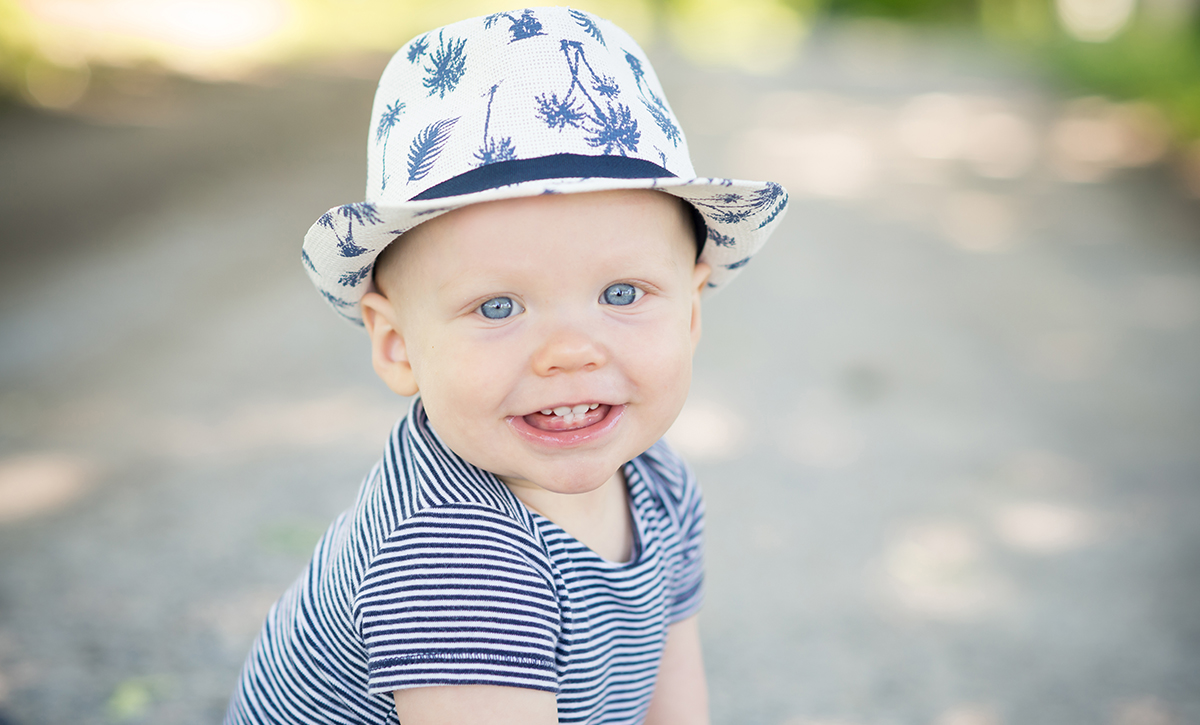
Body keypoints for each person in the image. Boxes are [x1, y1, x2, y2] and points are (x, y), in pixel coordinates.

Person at [225, 7, 788, 724]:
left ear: (691, 314)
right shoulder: (453, 556)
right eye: (497, 307)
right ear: (397, 344)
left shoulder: (658, 479)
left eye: (622, 294)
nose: (570, 351)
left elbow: (671, 706)